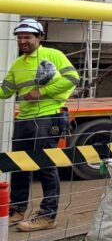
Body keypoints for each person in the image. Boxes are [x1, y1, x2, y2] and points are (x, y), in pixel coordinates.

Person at [0, 18, 80, 232]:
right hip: (24, 119)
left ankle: (48, 215)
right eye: (20, 37)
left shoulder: (53, 55)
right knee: (18, 165)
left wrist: (41, 92)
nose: (23, 41)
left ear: (39, 38)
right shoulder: (18, 64)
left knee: (45, 165)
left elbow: (73, 78)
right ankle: (16, 209)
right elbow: (5, 91)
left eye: (27, 37)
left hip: (49, 117)